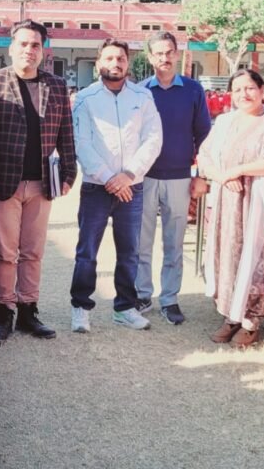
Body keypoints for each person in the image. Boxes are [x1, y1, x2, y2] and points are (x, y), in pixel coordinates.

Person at [0, 20, 77, 344]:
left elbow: (66, 132)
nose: (29, 50)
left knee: (33, 251)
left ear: (44, 50)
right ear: (11, 47)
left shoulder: (55, 85)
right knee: (6, 253)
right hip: (2, 184)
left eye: (35, 45)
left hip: (43, 183)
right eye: (23, 44)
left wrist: (69, 172)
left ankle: (29, 311)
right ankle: (4, 312)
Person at [69, 39, 162, 333]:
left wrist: (129, 174)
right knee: (87, 250)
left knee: (130, 250)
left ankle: (124, 307)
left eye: (121, 58)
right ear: (98, 63)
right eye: (109, 58)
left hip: (131, 187)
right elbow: (81, 143)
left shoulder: (143, 97)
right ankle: (81, 307)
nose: (115, 63)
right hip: (97, 187)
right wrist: (109, 177)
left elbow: (153, 139)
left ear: (128, 63)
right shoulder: (85, 98)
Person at [197, 70, 264, 348]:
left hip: (257, 198)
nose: (244, 95)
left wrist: (239, 171)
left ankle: (253, 320)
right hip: (225, 199)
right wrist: (222, 177)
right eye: (238, 90)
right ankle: (230, 315)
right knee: (227, 254)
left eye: (250, 88)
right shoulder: (224, 121)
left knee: (255, 255)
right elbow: (206, 156)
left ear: (262, 89)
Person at [134, 31, 211, 325]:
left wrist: (201, 175)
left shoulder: (193, 90)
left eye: (169, 52)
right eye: (158, 53)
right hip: (145, 177)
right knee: (141, 241)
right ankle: (142, 293)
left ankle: (170, 299)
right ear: (150, 56)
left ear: (176, 54)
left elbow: (203, 135)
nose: (164, 58)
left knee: (174, 242)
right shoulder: (140, 91)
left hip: (180, 178)